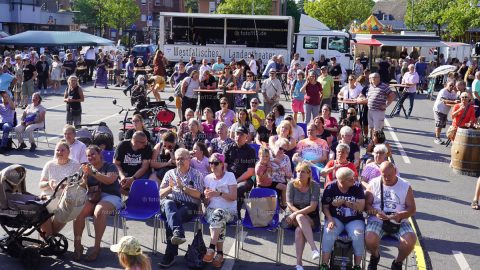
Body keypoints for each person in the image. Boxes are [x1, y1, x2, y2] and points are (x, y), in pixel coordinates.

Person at [73, 145, 122, 261]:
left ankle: (96, 247)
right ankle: (77, 245)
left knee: (99, 212)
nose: (90, 157)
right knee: (78, 212)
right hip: (93, 197)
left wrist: (93, 173)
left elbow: (110, 180)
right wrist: (84, 179)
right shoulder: (86, 168)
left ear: (100, 154)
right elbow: (82, 187)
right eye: (88, 155)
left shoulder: (110, 166)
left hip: (111, 196)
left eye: (93, 154)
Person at [365, 161, 417, 270]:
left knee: (410, 240)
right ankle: (375, 256)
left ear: (395, 172)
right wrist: (375, 211)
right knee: (369, 239)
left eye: (390, 175)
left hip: (399, 221)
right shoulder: (373, 183)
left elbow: (412, 209)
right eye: (384, 175)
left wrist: (400, 215)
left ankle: (397, 262)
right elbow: (367, 205)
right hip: (377, 220)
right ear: (380, 173)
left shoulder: (405, 185)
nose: (387, 178)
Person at [158, 148, 204, 268]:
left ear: (189, 159)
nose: (180, 161)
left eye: (183, 158)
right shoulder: (169, 173)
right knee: (169, 205)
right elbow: (160, 194)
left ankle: (170, 255)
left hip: (188, 205)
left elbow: (198, 194)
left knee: (172, 217)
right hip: (170, 202)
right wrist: (170, 188)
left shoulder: (196, 174)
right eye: (178, 159)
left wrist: (182, 187)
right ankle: (178, 233)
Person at [320, 167, 365, 270]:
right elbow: (325, 207)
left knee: (358, 234)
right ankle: (324, 264)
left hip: (354, 219)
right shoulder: (331, 187)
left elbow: (361, 207)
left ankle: (357, 265)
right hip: (336, 218)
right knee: (328, 232)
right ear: (342, 181)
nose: (354, 180)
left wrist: (345, 202)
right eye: (351, 179)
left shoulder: (357, 187)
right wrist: (330, 219)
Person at [202, 153, 237, 268]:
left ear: (222, 164)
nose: (212, 165)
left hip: (229, 211)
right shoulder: (207, 178)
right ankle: (219, 254)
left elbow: (233, 197)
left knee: (219, 214)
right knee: (218, 217)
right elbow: (206, 204)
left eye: (215, 163)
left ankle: (212, 248)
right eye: (210, 163)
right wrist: (206, 198)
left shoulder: (230, 176)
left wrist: (218, 193)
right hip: (211, 210)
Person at [39, 140, 81, 237]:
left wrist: (66, 186)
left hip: (66, 197)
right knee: (41, 210)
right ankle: (49, 239)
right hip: (49, 195)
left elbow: (79, 184)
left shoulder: (75, 165)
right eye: (57, 150)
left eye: (62, 150)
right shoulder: (49, 164)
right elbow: (40, 185)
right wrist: (49, 183)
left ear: (68, 152)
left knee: (65, 209)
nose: (59, 152)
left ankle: (48, 238)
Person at [285, 162, 321, 270]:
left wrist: (296, 214)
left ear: (309, 174)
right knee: (300, 218)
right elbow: (289, 204)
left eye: (303, 172)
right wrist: (295, 214)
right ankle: (314, 248)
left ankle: (299, 264)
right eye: (298, 171)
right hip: (291, 217)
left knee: (299, 230)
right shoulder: (291, 184)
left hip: (311, 217)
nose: (300, 174)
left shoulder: (315, 186)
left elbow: (313, 207)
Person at [223, 126, 256, 218]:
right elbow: (224, 165)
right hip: (230, 176)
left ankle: (235, 212)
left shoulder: (250, 151)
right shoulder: (228, 147)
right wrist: (228, 178)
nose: (238, 136)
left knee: (238, 188)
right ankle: (224, 211)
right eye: (237, 134)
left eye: (241, 134)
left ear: (246, 137)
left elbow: (250, 172)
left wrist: (235, 181)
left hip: (245, 179)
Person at [269, 138, 293, 208]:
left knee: (289, 187)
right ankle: (284, 207)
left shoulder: (286, 158)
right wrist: (273, 161)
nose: (282, 151)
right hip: (269, 180)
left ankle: (284, 208)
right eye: (280, 148)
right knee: (285, 188)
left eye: (284, 150)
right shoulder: (268, 154)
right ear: (276, 145)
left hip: (281, 180)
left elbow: (289, 175)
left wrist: (285, 171)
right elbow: (260, 166)